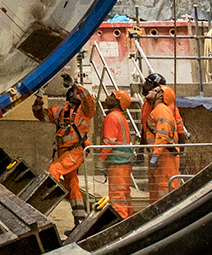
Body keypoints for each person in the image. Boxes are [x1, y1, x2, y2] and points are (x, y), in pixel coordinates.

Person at [31, 72, 96, 211]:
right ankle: (79, 219)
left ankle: (38, 207)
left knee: (54, 169)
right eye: (76, 92)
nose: (80, 94)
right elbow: (39, 114)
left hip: (77, 150)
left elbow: (89, 99)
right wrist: (39, 95)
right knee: (72, 184)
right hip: (63, 153)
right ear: (70, 95)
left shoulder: (85, 110)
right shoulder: (59, 111)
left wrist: (75, 85)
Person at [144, 75, 188, 202]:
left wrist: (155, 155)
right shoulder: (157, 109)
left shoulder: (161, 110)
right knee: (160, 187)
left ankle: (168, 211)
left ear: (160, 96)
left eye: (155, 90)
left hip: (164, 155)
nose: (150, 91)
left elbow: (162, 135)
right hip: (162, 155)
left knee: (166, 187)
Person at [100, 88, 140, 218]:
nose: (108, 97)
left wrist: (101, 160)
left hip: (117, 163)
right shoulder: (120, 117)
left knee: (117, 196)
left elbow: (109, 142)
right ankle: (127, 219)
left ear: (118, 102)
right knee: (124, 194)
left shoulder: (111, 117)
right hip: (123, 163)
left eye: (112, 96)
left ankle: (120, 221)